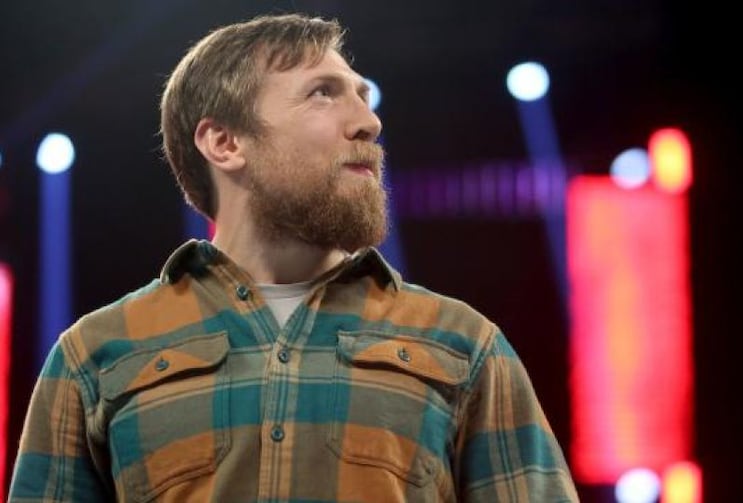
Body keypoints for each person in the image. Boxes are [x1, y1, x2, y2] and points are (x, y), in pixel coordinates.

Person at [8, 12, 579, 502]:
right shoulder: (94, 355)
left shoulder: (465, 345)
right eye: (323, 92)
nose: (369, 121)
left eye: (362, 95)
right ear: (225, 143)